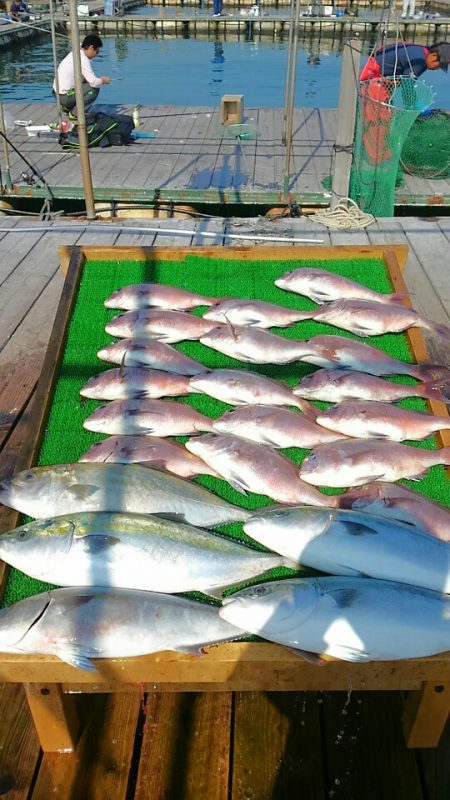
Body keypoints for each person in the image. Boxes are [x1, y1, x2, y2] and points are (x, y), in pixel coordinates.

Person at [53, 34, 111, 119]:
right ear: (91, 48)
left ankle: (68, 108)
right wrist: (103, 80)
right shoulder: (82, 59)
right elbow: (94, 82)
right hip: (64, 97)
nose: (97, 54)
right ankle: (76, 113)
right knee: (94, 88)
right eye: (97, 51)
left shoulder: (74, 53)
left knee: (86, 82)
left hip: (57, 93)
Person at [360, 41, 450, 82]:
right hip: (372, 74)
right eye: (439, 65)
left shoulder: (422, 52)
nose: (438, 69)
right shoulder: (418, 62)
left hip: (381, 74)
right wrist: (415, 107)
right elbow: (407, 88)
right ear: (434, 56)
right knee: (380, 115)